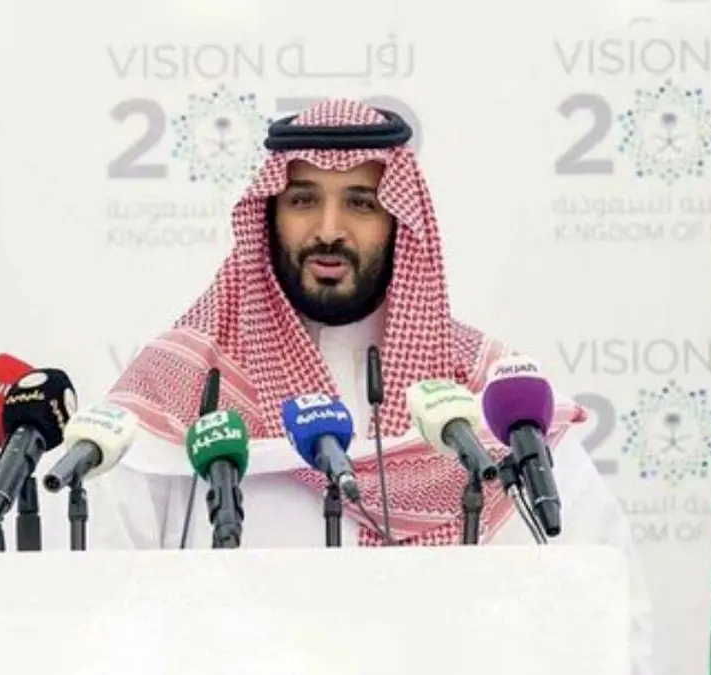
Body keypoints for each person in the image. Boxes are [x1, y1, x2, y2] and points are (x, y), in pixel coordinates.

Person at [85, 99, 655, 671]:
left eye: (360, 202)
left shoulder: (487, 400)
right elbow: (97, 610)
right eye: (303, 200)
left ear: (398, 221)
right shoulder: (182, 389)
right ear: (269, 214)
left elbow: (607, 612)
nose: (329, 230)